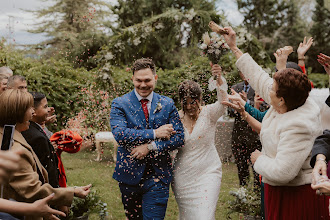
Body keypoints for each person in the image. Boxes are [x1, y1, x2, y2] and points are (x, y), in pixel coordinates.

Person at [209, 22, 328, 219]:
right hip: (277, 191)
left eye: (271, 88)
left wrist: (258, 159)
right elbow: (257, 75)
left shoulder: (299, 124)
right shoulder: (287, 101)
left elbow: (283, 172)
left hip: (295, 196)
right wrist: (233, 46)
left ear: (281, 98)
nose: (266, 89)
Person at [110, 58, 184, 220]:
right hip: (129, 176)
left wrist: (151, 146)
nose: (143, 85)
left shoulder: (167, 103)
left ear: (155, 78)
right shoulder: (120, 104)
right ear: (133, 79)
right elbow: (120, 134)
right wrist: (154, 134)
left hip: (158, 177)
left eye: (147, 80)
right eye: (139, 80)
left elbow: (179, 138)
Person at [0, 89, 91, 220]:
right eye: (29, 108)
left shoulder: (9, 133)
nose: (32, 112)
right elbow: (33, 190)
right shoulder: (14, 148)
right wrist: (73, 192)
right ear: (17, 112)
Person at [172, 64, 227, 219]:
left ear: (200, 99)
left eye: (193, 102)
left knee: (205, 216)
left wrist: (219, 79)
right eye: (185, 102)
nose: (189, 106)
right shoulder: (175, 117)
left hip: (208, 173)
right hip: (182, 177)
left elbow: (223, 102)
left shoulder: (209, 113)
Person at [228, 71, 266, 186]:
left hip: (255, 135)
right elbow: (229, 111)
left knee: (257, 168)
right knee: (241, 167)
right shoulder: (235, 87)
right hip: (238, 135)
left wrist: (246, 103)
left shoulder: (260, 88)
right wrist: (236, 106)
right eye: (241, 70)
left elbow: (264, 108)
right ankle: (243, 193)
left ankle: (256, 194)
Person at [22, 92, 60, 188]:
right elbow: (46, 169)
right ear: (33, 111)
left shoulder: (32, 128)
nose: (48, 110)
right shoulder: (37, 138)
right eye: (45, 107)